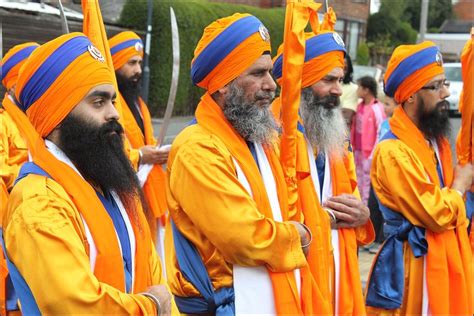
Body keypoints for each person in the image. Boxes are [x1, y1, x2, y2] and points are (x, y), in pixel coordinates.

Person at [2, 33, 177, 314]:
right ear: (57, 114)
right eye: (98, 102)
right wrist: (152, 305)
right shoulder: (38, 203)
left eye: (113, 101)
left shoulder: (112, 182)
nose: (114, 114)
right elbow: (76, 304)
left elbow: (153, 273)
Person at [165, 13, 318, 314]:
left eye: (270, 73)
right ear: (223, 84)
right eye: (257, 74)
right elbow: (244, 238)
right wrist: (300, 235)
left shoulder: (259, 139)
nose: (271, 85)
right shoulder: (197, 148)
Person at [365, 41, 473, 315]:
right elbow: (435, 213)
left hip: (435, 259)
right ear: (411, 95)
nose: (446, 92)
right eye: (436, 86)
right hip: (410, 268)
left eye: (445, 83)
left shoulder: (432, 139)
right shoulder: (393, 151)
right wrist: (460, 186)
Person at [272, 30, 374, 315]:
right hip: (294, 272)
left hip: (338, 269)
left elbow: (351, 199)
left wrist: (362, 215)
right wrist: (324, 218)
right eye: (328, 80)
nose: (339, 90)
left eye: (340, 80)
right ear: (300, 82)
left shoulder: (335, 135)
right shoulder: (271, 134)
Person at [109, 31, 169, 251]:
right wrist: (142, 156)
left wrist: (159, 152)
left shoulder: (138, 103)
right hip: (125, 191)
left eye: (140, 63)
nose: (137, 70)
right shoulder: (110, 107)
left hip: (149, 192)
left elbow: (148, 140)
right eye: (131, 63)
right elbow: (109, 150)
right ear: (115, 65)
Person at [0, 41, 39, 315]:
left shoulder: (38, 120)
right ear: (14, 83)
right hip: (10, 217)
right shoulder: (3, 122)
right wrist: (31, 179)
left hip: (38, 216)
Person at [1, 43, 38, 195]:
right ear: (12, 86)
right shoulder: (3, 122)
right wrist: (36, 178)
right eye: (28, 84)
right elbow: (2, 172)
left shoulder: (39, 120)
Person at [352, 75, 386, 205]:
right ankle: (358, 203)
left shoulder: (376, 108)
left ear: (366, 90)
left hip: (369, 152)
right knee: (359, 177)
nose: (357, 90)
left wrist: (374, 153)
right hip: (358, 149)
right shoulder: (359, 106)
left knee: (367, 180)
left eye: (359, 87)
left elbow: (380, 131)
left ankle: (366, 207)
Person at [340, 54, 359, 131]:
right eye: (339, 67)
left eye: (345, 69)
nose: (341, 72)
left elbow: (346, 116)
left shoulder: (353, 89)